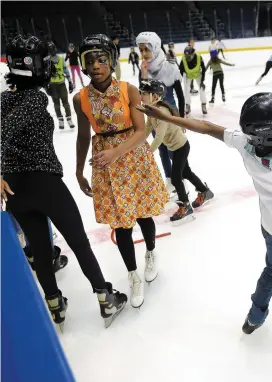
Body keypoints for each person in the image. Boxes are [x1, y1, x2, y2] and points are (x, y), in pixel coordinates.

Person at [136, 93, 272, 380]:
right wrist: (165, 116)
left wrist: (165, 116)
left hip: (271, 229)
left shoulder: (248, 146)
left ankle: (254, 317)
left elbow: (206, 127)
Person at [1, 35, 127, 332]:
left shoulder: (5, 98)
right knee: (78, 242)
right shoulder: (35, 98)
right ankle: (105, 296)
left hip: (16, 190)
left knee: (41, 250)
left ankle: (55, 305)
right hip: (45, 184)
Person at [75, 34, 168, 308]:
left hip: (133, 157)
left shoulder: (129, 90)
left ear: (111, 61)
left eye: (101, 59)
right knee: (121, 224)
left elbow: (141, 131)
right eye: (89, 60)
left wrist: (116, 152)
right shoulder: (80, 98)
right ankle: (132, 274)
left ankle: (151, 252)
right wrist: (79, 171)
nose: (95, 65)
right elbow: (82, 137)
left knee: (142, 215)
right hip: (105, 163)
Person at [139, 79, 214, 223]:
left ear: (154, 96)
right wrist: (137, 143)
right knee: (186, 172)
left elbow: (159, 136)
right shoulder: (151, 111)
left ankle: (185, 206)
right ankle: (205, 191)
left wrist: (148, 152)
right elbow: (148, 128)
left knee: (175, 178)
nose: (141, 95)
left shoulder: (161, 112)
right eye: (141, 92)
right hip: (174, 148)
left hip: (181, 147)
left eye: (144, 93)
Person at [136, 31, 185, 194]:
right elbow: (142, 93)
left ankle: (180, 179)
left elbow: (180, 95)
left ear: (155, 47)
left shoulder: (170, 67)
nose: (143, 54)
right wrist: (143, 74)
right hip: (154, 116)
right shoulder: (143, 69)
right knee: (162, 150)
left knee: (174, 149)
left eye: (146, 49)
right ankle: (170, 181)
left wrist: (182, 119)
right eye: (140, 50)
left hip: (171, 115)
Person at [46, 41, 75, 130]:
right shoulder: (46, 61)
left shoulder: (61, 59)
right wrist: (46, 87)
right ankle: (60, 120)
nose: (52, 50)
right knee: (56, 104)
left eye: (52, 48)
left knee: (66, 103)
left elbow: (65, 70)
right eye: (50, 49)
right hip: (52, 86)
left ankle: (69, 119)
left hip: (61, 84)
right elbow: (44, 75)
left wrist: (70, 82)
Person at [179, 46, 207, 115]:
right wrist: (179, 81)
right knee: (186, 90)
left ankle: (203, 105)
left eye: (189, 56)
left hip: (198, 74)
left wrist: (202, 81)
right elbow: (180, 71)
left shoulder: (198, 57)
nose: (187, 58)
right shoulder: (183, 59)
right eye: (186, 56)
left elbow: (203, 68)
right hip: (188, 76)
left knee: (202, 89)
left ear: (193, 53)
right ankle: (188, 105)